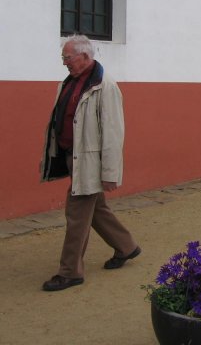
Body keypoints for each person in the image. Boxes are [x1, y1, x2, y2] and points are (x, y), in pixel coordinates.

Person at [40, 35, 140, 292]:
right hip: (73, 157)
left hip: (89, 164)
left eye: (68, 58)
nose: (64, 63)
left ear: (85, 56)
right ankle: (126, 247)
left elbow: (113, 133)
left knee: (76, 216)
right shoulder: (72, 81)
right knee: (96, 210)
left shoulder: (105, 87)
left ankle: (70, 272)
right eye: (63, 58)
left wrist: (109, 172)